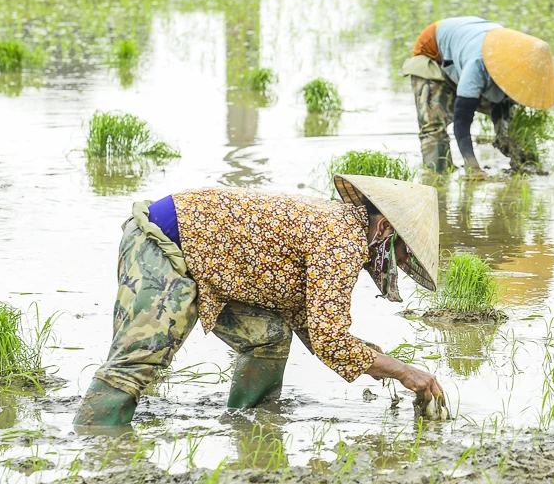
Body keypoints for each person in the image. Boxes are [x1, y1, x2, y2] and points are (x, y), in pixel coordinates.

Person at [74, 175, 447, 426]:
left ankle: (249, 426)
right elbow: (332, 342)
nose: (397, 264)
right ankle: (94, 450)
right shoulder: (342, 242)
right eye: (401, 253)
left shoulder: (339, 231)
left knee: (268, 336)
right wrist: (404, 371)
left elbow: (316, 328)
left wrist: (386, 363)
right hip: (164, 243)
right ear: (383, 228)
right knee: (139, 359)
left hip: (210, 259)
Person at [401, 16, 554, 178]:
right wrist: (473, 168)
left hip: (468, 46)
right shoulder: (477, 65)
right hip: (434, 53)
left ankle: (528, 166)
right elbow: (462, 120)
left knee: (511, 126)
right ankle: (438, 179)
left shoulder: (519, 69)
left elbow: (502, 106)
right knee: (434, 127)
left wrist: (504, 133)